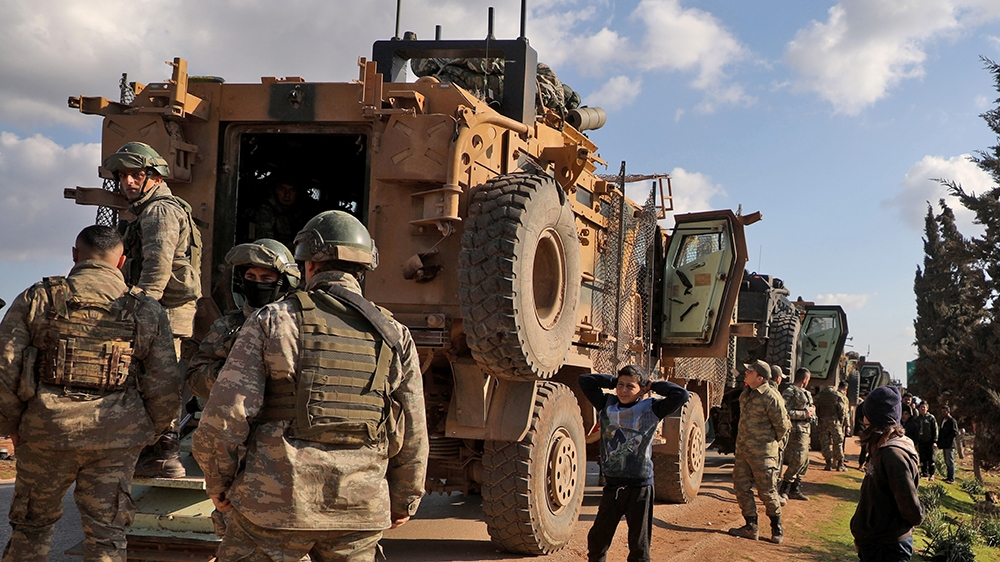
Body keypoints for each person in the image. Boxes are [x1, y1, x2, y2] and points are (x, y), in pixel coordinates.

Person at [192, 210, 428, 560]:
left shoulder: (273, 320)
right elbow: (414, 429)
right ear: (362, 270)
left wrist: (218, 482)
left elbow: (226, 414)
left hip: (274, 506)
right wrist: (405, 498)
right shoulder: (394, 334)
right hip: (359, 510)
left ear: (309, 267)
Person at [0, 225, 181, 561]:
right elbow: (165, 384)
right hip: (115, 441)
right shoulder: (145, 309)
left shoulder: (38, 297)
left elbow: (5, 368)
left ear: (74, 255)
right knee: (107, 534)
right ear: (122, 261)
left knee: (32, 528)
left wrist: (14, 427)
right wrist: (147, 433)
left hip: (47, 434)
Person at [103, 141, 202, 478]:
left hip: (163, 311)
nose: (129, 182)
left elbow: (157, 269)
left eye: (137, 175)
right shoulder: (150, 208)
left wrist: (140, 311)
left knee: (160, 380)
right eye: (124, 176)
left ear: (154, 177)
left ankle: (165, 453)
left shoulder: (160, 210)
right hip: (163, 309)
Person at [579, 366, 689, 562]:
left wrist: (653, 385)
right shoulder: (607, 404)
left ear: (642, 389)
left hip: (639, 488)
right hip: (612, 487)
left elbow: (680, 394)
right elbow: (585, 381)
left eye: (630, 386)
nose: (623, 391)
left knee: (639, 545)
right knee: (597, 539)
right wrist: (613, 381)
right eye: (620, 385)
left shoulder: (652, 409)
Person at [186, 239, 300, 400]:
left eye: (266, 278)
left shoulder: (298, 324)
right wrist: (232, 374)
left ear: (283, 283)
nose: (257, 283)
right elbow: (195, 378)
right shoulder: (226, 326)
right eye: (251, 277)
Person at [851, 385, 923, 561]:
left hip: (888, 549)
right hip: (875, 544)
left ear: (876, 419)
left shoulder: (893, 455)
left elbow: (912, 511)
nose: (863, 420)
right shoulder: (881, 447)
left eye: (866, 415)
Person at [728, 360, 790, 545]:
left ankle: (776, 528)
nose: (746, 373)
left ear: (760, 377)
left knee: (767, 492)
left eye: (750, 371)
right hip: (743, 452)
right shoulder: (746, 394)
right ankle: (751, 526)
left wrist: (772, 448)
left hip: (764, 454)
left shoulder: (771, 397)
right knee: (741, 488)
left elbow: (783, 426)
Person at [779, 368, 816, 502]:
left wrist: (812, 412)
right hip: (796, 432)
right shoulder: (790, 391)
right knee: (797, 460)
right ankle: (784, 488)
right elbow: (784, 412)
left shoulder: (806, 393)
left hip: (806, 432)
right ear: (805, 380)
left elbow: (810, 410)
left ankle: (795, 489)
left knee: (804, 462)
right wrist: (803, 414)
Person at [250, 173, 309, 248]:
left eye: (292, 190)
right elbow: (266, 244)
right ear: (274, 191)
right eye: (282, 189)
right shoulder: (265, 211)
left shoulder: (297, 213)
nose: (287, 195)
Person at [815, 380, 851, 471]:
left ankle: (828, 464)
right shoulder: (838, 395)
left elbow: (816, 407)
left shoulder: (820, 395)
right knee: (838, 443)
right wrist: (843, 423)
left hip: (822, 421)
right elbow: (842, 411)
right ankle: (840, 464)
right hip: (835, 422)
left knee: (825, 443)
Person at [914, 402, 938, 480]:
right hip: (921, 441)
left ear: (927, 408)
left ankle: (932, 474)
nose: (922, 409)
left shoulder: (931, 418)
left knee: (931, 458)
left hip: (930, 441)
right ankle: (924, 474)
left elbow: (935, 429)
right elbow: (916, 432)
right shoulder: (917, 419)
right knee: (923, 458)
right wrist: (916, 443)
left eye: (924, 407)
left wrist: (935, 441)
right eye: (921, 407)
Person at [937, 405, 958, 484]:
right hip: (944, 445)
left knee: (950, 461)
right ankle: (948, 477)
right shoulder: (943, 420)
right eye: (942, 412)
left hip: (949, 445)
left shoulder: (952, 421)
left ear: (948, 411)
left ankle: (952, 479)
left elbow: (954, 432)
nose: (943, 413)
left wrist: (948, 439)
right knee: (946, 461)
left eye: (944, 411)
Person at [854, 392, 869, 469]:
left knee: (869, 448)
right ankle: (861, 464)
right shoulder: (861, 407)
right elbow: (859, 419)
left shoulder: (870, 406)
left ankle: (866, 463)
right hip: (863, 429)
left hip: (869, 430)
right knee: (865, 447)